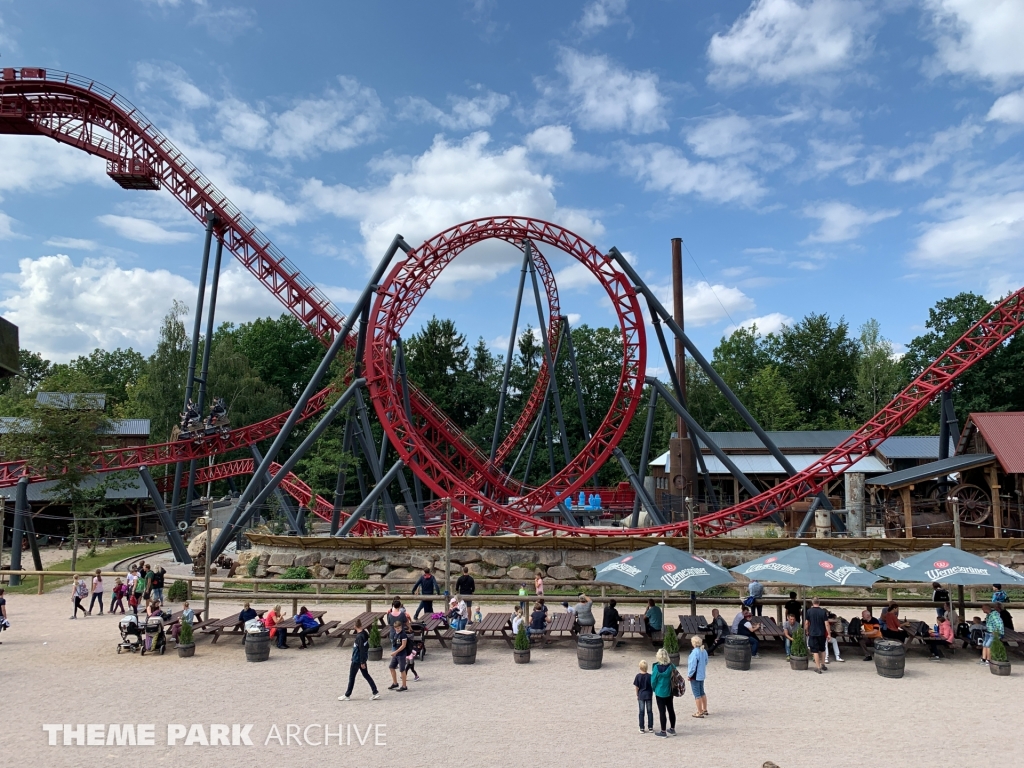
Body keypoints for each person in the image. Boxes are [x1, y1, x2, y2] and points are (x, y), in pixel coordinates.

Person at [339, 618, 380, 701]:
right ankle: (375, 692)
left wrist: (362, 662)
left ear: (355, 626)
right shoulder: (364, 633)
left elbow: (361, 649)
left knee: (352, 677)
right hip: (361, 658)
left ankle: (347, 695)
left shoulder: (359, 637)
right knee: (366, 675)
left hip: (357, 660)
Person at [650, 648, 677, 737]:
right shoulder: (671, 666)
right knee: (671, 710)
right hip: (669, 691)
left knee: (662, 712)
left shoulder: (656, 668)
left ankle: (663, 731)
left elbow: (653, 681)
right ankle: (672, 728)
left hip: (659, 692)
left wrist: (654, 689)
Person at [804, 597, 830, 674]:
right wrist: (829, 634)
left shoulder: (809, 611)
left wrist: (806, 630)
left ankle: (818, 667)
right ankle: (823, 664)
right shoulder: (823, 612)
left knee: (815, 651)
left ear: (812, 603)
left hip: (813, 633)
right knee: (822, 649)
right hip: (821, 633)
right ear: (819, 603)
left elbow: (806, 623)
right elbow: (827, 624)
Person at [688, 636, 709, 718]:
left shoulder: (694, 653)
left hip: (695, 676)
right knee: (702, 692)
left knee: (697, 694)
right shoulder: (704, 651)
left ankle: (699, 712)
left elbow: (692, 666)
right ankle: (705, 709)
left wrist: (689, 675)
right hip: (701, 674)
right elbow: (706, 661)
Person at [388, 620, 410, 691]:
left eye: (399, 627)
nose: (398, 629)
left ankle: (404, 686)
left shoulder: (403, 634)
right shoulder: (395, 633)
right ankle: (395, 683)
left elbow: (403, 645)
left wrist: (395, 652)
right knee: (391, 667)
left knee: (402, 669)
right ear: (394, 628)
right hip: (396, 654)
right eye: (397, 628)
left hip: (401, 654)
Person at [633, 660, 654, 733]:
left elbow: (637, 687)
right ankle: (650, 727)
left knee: (641, 712)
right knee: (650, 711)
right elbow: (652, 685)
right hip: (648, 695)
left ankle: (641, 727)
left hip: (641, 695)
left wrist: (637, 694)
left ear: (640, 667)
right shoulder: (650, 676)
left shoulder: (638, 676)